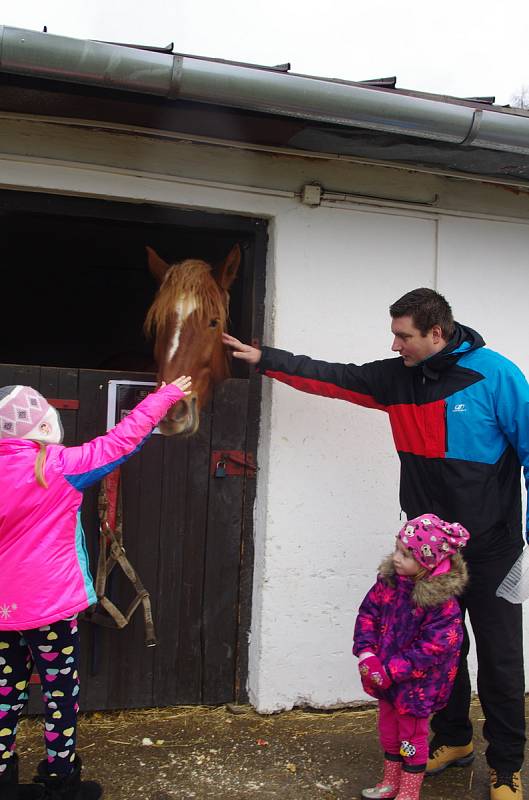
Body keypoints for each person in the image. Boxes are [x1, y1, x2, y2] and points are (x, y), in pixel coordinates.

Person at [222, 287, 529, 800]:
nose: (394, 345)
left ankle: (506, 766)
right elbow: (332, 376)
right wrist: (264, 360)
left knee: (499, 659)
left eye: (402, 335)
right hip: (431, 559)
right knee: (438, 653)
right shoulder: (395, 379)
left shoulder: (496, 375)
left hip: (494, 548)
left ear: (436, 332)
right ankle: (453, 741)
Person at [0, 377, 191, 800]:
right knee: (59, 694)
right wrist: (164, 396)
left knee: (4, 693)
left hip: (3, 613)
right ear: (45, 426)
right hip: (49, 610)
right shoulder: (58, 467)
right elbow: (120, 442)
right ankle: (59, 781)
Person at [353, 513, 469, 800]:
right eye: (396, 549)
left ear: (427, 562)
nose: (395, 558)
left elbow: (431, 649)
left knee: (411, 738)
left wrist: (390, 669)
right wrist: (367, 652)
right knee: (389, 732)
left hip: (417, 687)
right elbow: (368, 614)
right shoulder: (388, 585)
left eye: (405, 554)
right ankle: (390, 781)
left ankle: (409, 791)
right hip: (385, 679)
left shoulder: (442, 606)